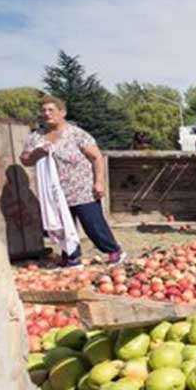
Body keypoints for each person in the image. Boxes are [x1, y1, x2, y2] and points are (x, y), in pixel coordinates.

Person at [19, 95, 125, 265]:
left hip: (81, 188)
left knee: (93, 224)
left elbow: (96, 157)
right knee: (63, 227)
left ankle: (114, 251)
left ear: (62, 112)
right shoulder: (37, 137)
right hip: (55, 192)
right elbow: (24, 160)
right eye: (44, 110)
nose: (47, 113)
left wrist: (99, 181)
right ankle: (72, 257)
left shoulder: (76, 134)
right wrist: (36, 154)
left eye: (51, 110)